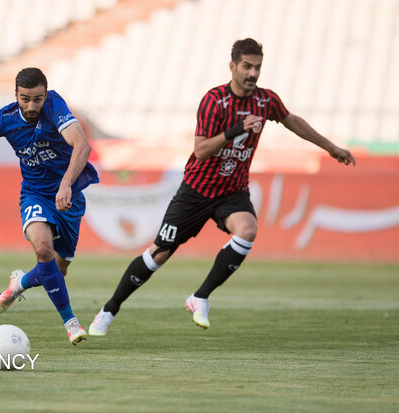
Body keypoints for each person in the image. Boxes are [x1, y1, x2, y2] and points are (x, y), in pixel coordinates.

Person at [88, 38, 356, 335]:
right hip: (196, 190)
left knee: (248, 230)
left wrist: (331, 147)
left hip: (233, 191)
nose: (252, 73)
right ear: (233, 66)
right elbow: (201, 150)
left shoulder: (266, 100)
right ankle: (109, 309)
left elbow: (292, 121)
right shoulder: (215, 100)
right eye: (246, 66)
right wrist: (236, 130)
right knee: (159, 253)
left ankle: (200, 296)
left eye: (257, 67)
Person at [0, 67, 99, 345]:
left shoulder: (55, 106)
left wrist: (66, 184)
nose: (32, 106)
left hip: (69, 197)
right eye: (25, 99)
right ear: (15, 95)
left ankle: (19, 284)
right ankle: (71, 323)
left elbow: (82, 145)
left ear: (45, 95)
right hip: (35, 195)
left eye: (37, 99)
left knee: (57, 269)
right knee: (43, 249)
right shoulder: (3, 119)